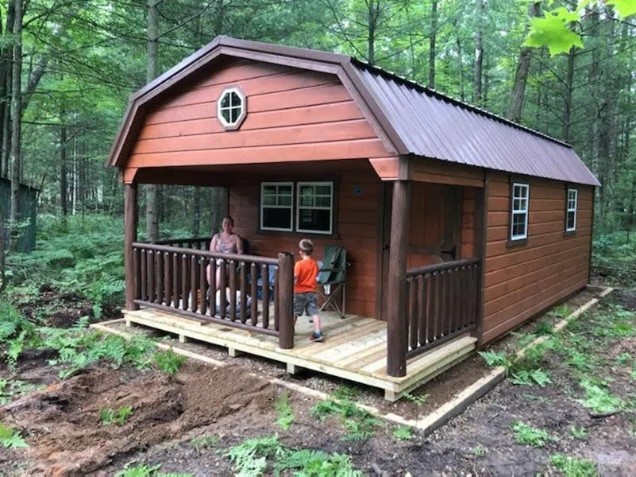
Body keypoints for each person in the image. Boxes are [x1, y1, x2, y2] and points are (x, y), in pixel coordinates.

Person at [294, 239, 324, 343]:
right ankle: (318, 332)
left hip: (299, 292)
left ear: (300, 252)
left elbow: (295, 277)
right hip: (311, 291)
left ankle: (290, 330)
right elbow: (315, 275)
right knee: (314, 313)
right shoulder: (315, 264)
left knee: (295, 312)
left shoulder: (299, 264)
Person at [207, 216, 244, 289]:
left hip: (229, 263)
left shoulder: (236, 238)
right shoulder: (216, 236)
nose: (227, 225)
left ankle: (213, 292)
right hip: (217, 261)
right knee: (209, 268)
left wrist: (234, 259)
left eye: (229, 223)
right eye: (225, 223)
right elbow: (212, 251)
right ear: (222, 224)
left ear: (232, 225)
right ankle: (213, 290)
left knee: (220, 271)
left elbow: (240, 252)